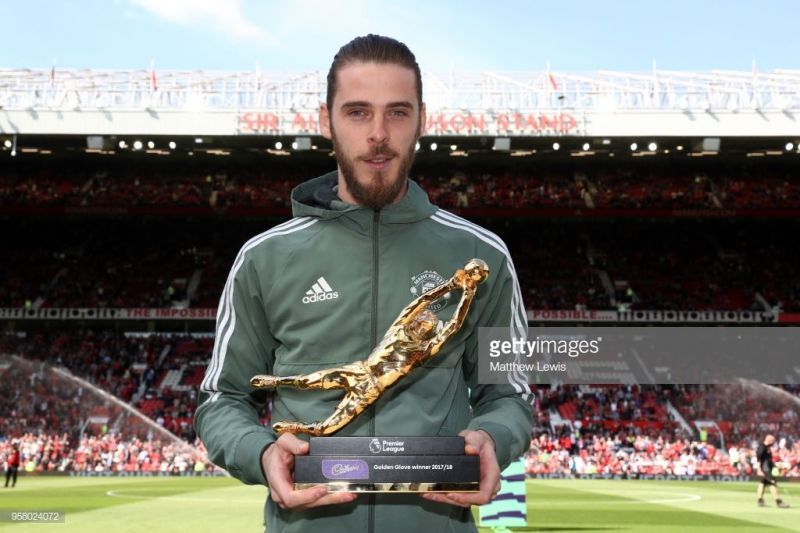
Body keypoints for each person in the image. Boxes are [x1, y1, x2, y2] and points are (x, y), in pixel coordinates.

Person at [195, 34, 532, 533]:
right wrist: (263, 453)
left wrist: (492, 438)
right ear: (325, 120)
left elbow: (509, 395)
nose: (378, 133)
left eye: (397, 112)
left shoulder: (482, 256)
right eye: (357, 112)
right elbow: (222, 399)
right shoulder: (264, 258)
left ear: (423, 119)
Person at [756, 434, 789, 508]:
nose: (774, 443)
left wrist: (775, 466)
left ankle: (760, 500)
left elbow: (768, 460)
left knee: (763, 483)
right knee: (772, 483)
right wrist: (759, 470)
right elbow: (759, 459)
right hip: (765, 469)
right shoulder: (762, 447)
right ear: (769, 440)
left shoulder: (767, 448)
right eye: (773, 441)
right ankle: (778, 502)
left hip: (767, 468)